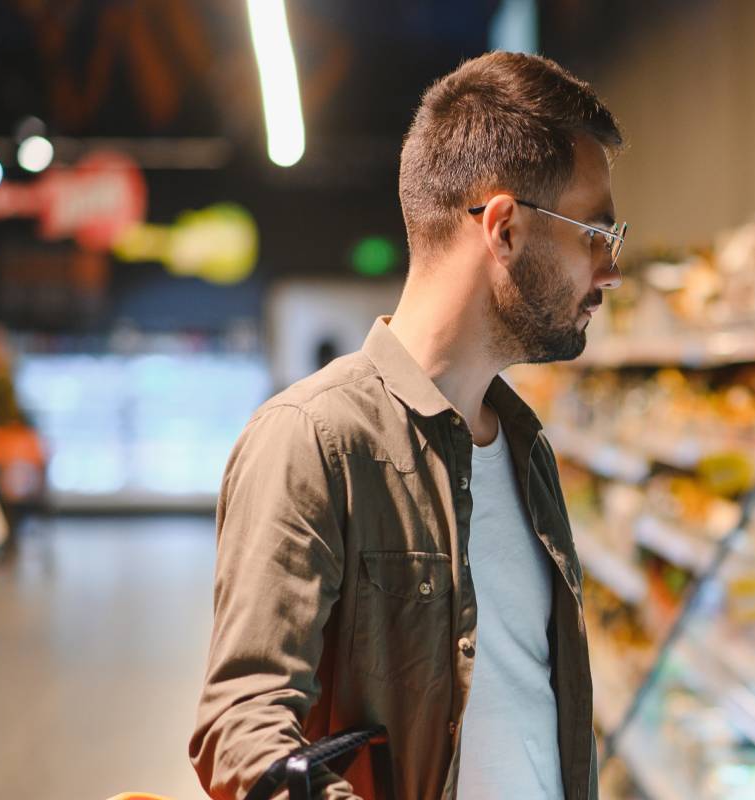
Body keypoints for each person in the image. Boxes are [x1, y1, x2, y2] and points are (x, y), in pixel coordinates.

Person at [190, 52, 625, 800]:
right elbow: (241, 724)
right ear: (505, 228)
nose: (610, 269)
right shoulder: (314, 440)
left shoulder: (528, 451)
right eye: (594, 231)